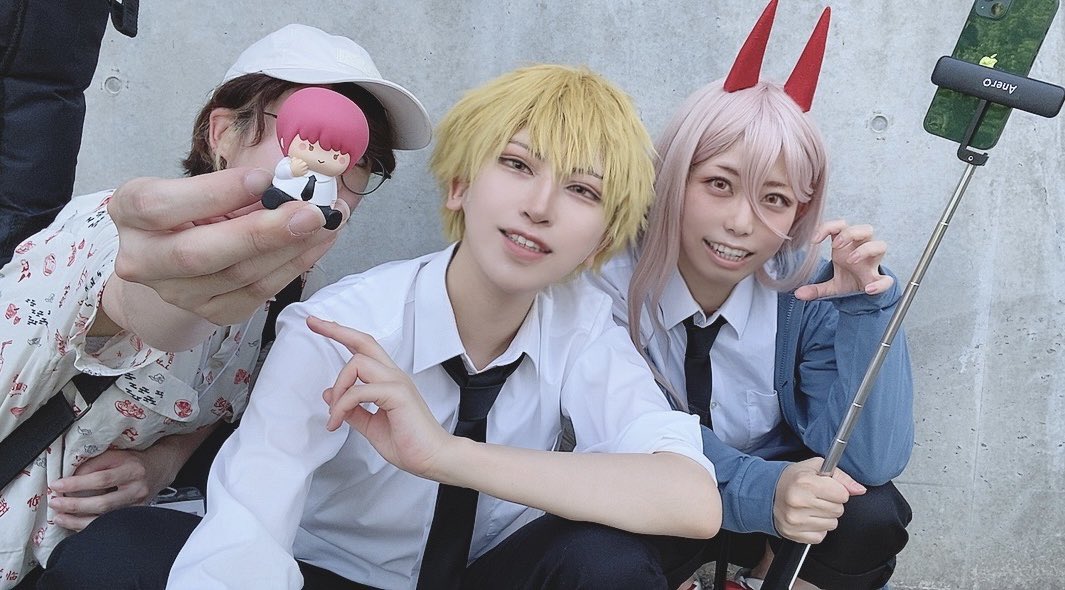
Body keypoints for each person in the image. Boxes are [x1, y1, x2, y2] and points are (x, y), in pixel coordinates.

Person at [42, 63, 723, 590]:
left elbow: (692, 501)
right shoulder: (342, 325)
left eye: (583, 190)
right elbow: (251, 516)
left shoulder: (583, 327)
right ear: (459, 186)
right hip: (331, 575)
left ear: (604, 235)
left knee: (607, 560)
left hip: (484, 574)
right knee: (117, 556)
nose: (540, 206)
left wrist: (443, 455)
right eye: (517, 165)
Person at [0, 24, 431, 589]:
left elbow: (224, 404)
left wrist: (164, 462)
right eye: (305, 132)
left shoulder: (290, 298)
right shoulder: (105, 231)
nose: (333, 167)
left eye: (360, 159)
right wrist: (167, 294)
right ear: (223, 133)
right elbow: (139, 297)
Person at [587, 3, 914, 589]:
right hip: (659, 498)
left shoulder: (807, 291)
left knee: (869, 511)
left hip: (775, 510)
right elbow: (627, 434)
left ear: (799, 214)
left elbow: (870, 462)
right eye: (719, 183)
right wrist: (765, 492)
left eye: (775, 199)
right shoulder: (607, 280)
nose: (742, 223)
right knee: (598, 549)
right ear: (673, 178)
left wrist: (868, 311)